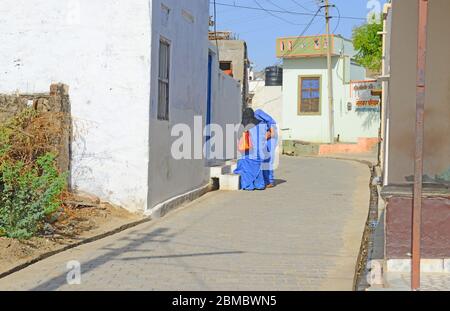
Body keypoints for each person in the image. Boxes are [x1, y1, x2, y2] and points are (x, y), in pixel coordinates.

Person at [233, 108, 268, 191]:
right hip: (261, 151)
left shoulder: (245, 125)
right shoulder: (262, 123)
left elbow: (239, 136)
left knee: (247, 167)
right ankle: (259, 185)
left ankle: (249, 186)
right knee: (258, 167)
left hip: (249, 151)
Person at [254, 109, 278, 188]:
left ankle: (270, 181)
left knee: (269, 158)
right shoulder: (249, 120)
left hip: (271, 135)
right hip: (263, 137)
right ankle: (264, 180)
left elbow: (272, 121)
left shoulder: (258, 113)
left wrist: (270, 133)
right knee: (263, 158)